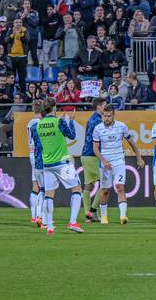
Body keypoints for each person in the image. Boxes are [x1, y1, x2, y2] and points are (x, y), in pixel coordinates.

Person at [32, 99, 84, 236]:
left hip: (47, 164)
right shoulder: (58, 122)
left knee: (49, 194)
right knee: (77, 189)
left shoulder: (38, 125)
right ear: (54, 108)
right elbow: (72, 135)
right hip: (62, 163)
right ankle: (73, 222)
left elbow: (38, 146)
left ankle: (49, 226)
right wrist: (71, 121)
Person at [93, 106, 140, 225]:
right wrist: (103, 161)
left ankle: (123, 216)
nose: (106, 118)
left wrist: (138, 157)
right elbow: (95, 149)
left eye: (109, 116)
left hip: (118, 160)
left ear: (114, 115)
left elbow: (131, 142)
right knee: (105, 190)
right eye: (104, 116)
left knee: (120, 187)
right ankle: (104, 216)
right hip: (105, 162)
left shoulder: (121, 126)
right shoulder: (97, 129)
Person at [80, 97, 108, 222]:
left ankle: (88, 213)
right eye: (105, 106)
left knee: (89, 185)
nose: (106, 108)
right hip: (93, 155)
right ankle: (93, 210)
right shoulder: (98, 121)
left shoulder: (91, 119)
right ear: (99, 106)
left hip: (85, 154)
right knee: (105, 184)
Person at [26, 101, 45, 228]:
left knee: (35, 186)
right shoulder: (39, 123)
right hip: (39, 155)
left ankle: (34, 216)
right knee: (43, 187)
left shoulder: (30, 122)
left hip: (31, 153)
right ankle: (40, 216)